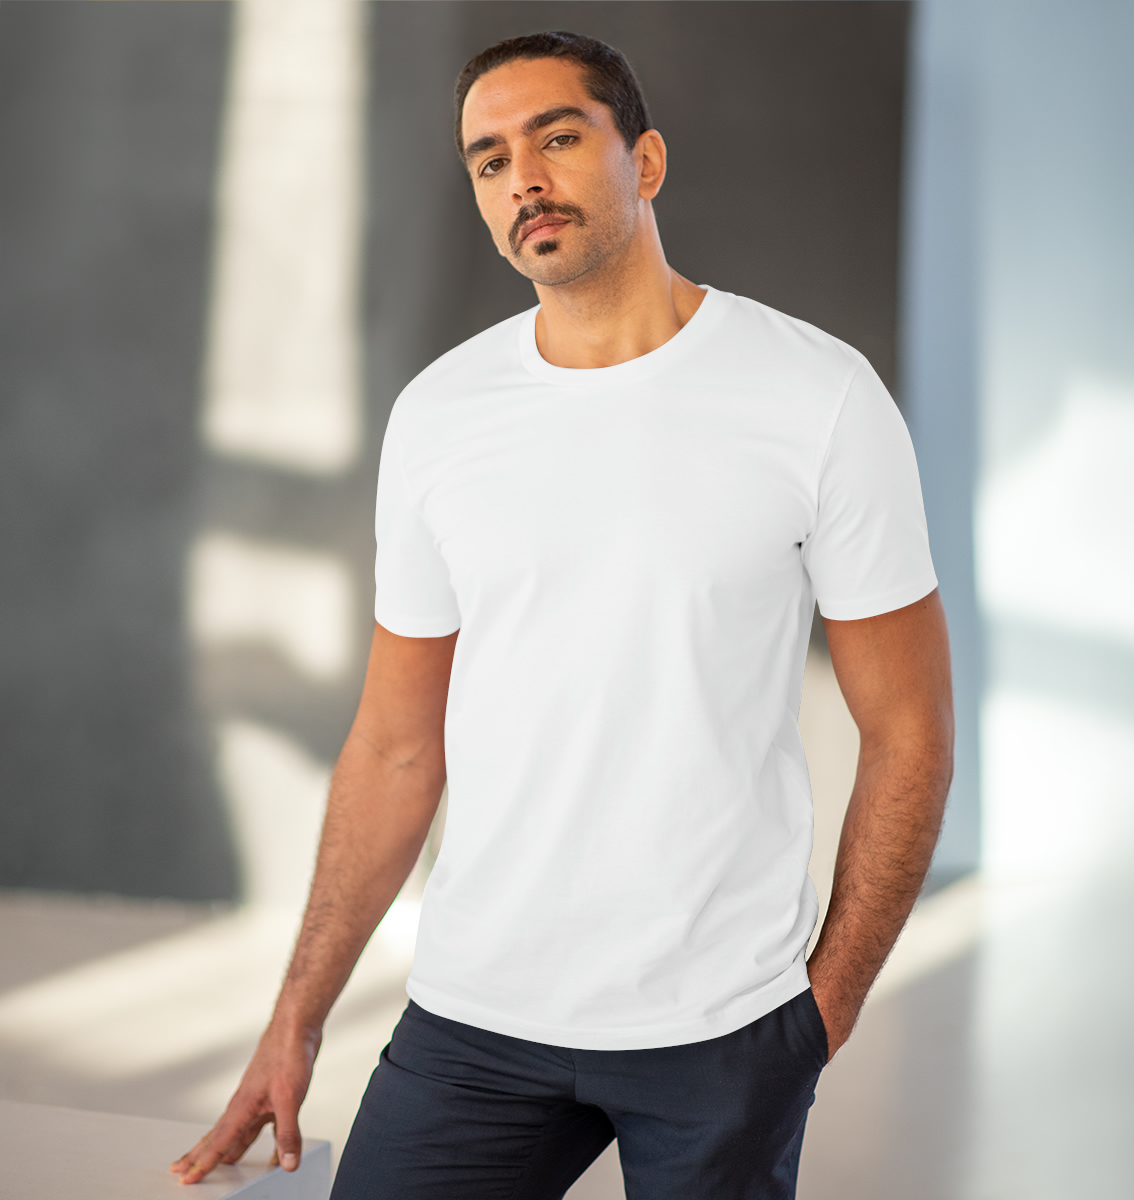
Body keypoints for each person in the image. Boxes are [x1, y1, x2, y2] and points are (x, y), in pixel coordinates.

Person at [172, 30, 953, 1198]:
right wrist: (297, 1015)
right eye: (489, 161)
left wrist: (818, 1015)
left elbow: (911, 733)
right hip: (477, 1017)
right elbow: (394, 747)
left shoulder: (820, 397)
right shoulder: (440, 417)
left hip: (721, 1027)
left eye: (558, 138)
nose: (523, 179)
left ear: (647, 161)